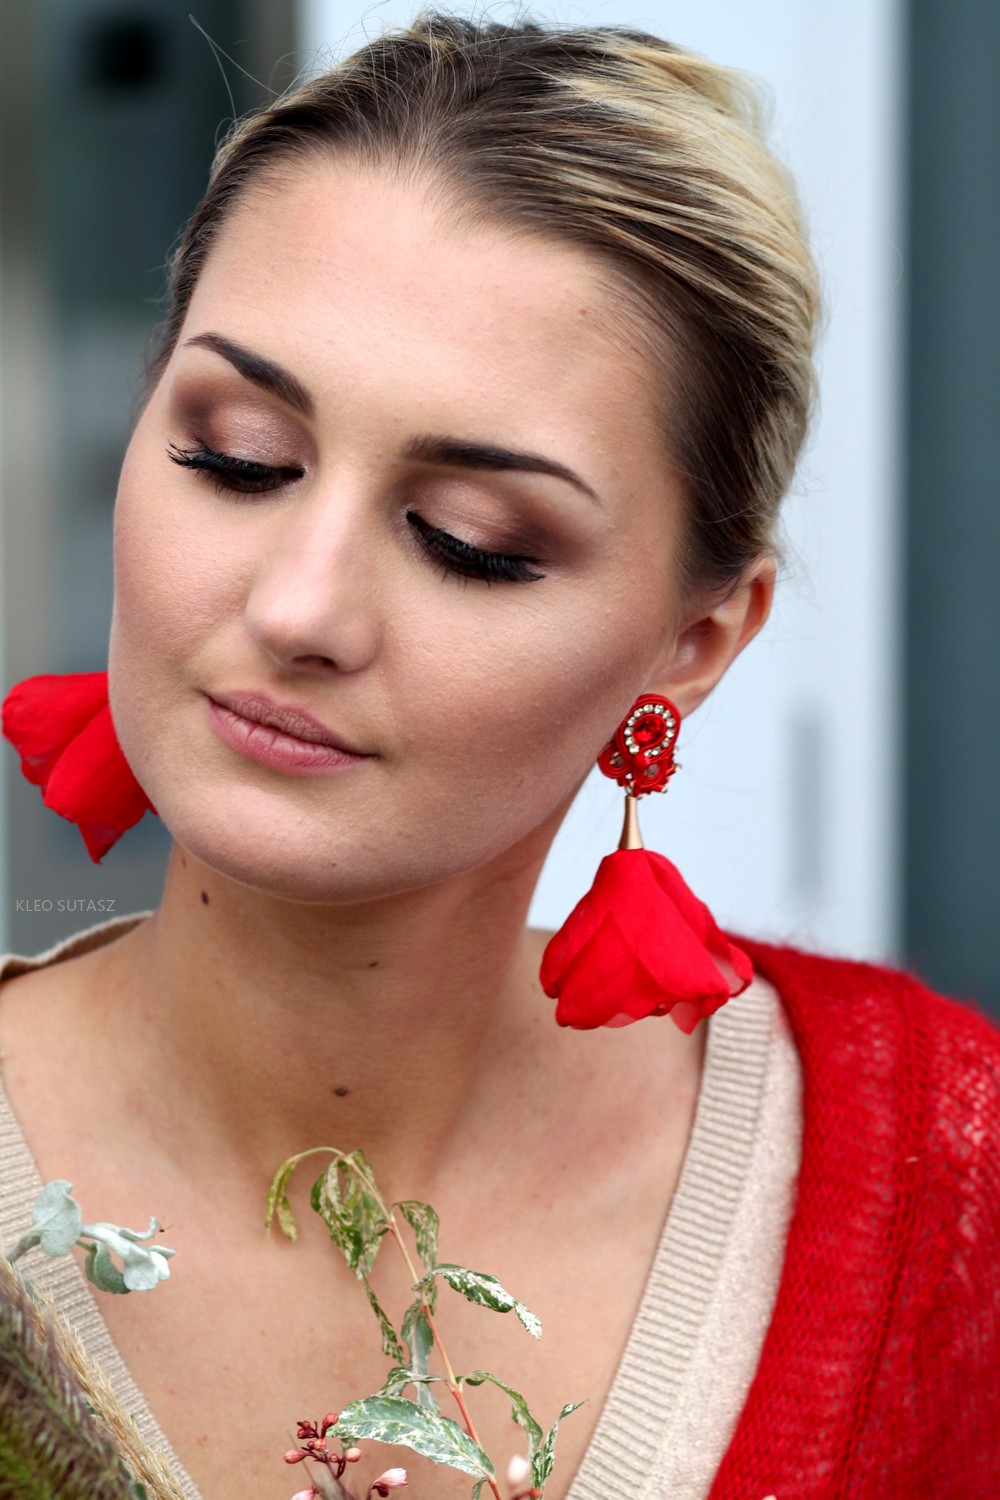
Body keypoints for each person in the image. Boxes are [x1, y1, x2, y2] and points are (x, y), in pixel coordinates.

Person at [1, 12, 997, 1499]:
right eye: (237, 456)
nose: (299, 608)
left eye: (473, 542)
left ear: (692, 643)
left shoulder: (945, 1185)